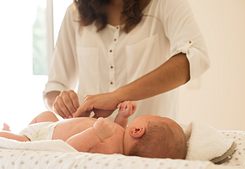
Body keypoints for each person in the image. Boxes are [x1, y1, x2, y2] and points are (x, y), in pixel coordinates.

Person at [44, 0, 209, 119]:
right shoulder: (74, 13)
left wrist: (117, 96)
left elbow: (195, 56)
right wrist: (61, 103)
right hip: (91, 150)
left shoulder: (165, 4)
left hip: (151, 146)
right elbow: (53, 88)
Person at [0, 101, 187, 159]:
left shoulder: (110, 150)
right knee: (46, 115)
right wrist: (122, 117)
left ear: (137, 130)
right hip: (51, 125)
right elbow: (117, 129)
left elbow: (70, 149)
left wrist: (95, 133)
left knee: (19, 141)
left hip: (42, 140)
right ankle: (17, 129)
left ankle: (11, 133)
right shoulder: (120, 136)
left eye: (154, 117)